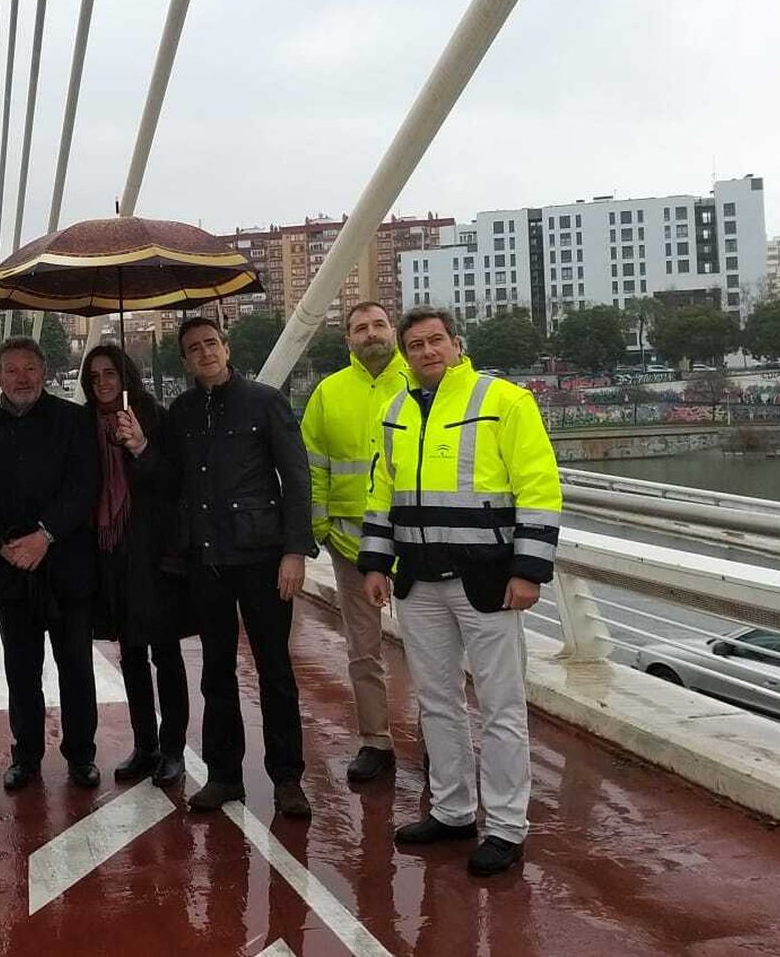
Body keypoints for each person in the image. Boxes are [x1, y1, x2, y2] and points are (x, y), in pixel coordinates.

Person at [358, 305, 562, 877]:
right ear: (405, 354)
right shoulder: (396, 412)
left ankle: (506, 827)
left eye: (436, 341)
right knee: (436, 701)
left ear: (456, 343)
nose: (427, 351)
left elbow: (539, 487)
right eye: (416, 345)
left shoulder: (503, 402)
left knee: (501, 706)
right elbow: (381, 494)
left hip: (488, 580)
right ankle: (452, 811)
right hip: (419, 581)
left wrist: (529, 570)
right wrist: (375, 563)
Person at [168, 317, 316, 818]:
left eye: (211, 343)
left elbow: (296, 478)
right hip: (207, 559)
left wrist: (295, 551)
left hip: (261, 556)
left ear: (226, 348)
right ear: (185, 360)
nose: (205, 352)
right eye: (194, 348)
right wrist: (138, 444)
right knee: (216, 671)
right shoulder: (182, 412)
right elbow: (170, 480)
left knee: (275, 670)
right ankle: (224, 775)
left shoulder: (264, 402)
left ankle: (288, 778)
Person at [0, 336, 101, 791]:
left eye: (29, 368)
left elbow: (84, 486)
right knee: (21, 670)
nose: (21, 378)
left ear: (43, 372)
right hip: (13, 571)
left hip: (66, 566)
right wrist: (1, 546)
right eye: (11, 370)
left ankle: (81, 755)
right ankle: (26, 756)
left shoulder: (74, 421)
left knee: (76, 667)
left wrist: (46, 535)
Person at [300, 301, 410, 783]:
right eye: (360, 328)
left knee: (432, 652)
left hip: (415, 541)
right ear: (348, 339)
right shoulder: (329, 392)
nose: (371, 334)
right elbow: (313, 465)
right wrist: (320, 529)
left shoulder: (420, 382)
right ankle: (375, 742)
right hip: (351, 544)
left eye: (379, 325)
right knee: (363, 650)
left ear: (393, 330)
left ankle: (439, 744)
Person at [80, 344, 190, 788]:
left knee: (165, 652)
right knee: (130, 653)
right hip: (109, 553)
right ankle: (145, 745)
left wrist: (141, 447)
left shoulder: (154, 418)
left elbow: (174, 482)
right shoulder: (85, 426)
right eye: (94, 377)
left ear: (125, 375)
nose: (102, 383)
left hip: (153, 552)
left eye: (110, 373)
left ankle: (173, 748)